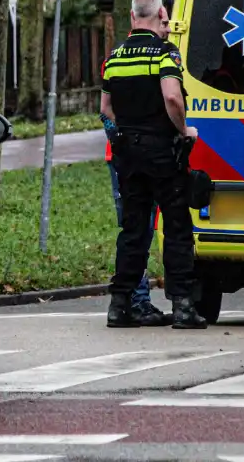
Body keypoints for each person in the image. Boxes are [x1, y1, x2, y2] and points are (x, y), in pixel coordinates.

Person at [101, 0, 205, 330]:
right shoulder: (164, 53)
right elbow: (172, 97)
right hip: (162, 153)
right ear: (162, 14)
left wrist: (127, 130)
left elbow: (105, 108)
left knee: (133, 230)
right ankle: (183, 306)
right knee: (176, 226)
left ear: (132, 16)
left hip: (128, 155)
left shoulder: (115, 57)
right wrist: (183, 129)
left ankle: (120, 305)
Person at [101, 101, 165, 325]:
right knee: (138, 230)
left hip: (131, 153)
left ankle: (130, 301)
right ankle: (136, 301)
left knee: (138, 230)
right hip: (137, 154)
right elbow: (106, 110)